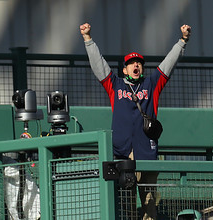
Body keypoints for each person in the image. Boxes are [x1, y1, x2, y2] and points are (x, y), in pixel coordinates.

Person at [80, 22, 191, 219]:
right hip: (122, 154)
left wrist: (182, 41)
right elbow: (99, 65)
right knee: (126, 207)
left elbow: (168, 63)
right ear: (125, 69)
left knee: (149, 205)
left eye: (139, 62)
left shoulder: (152, 83)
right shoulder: (114, 85)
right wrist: (88, 39)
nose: (136, 65)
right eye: (131, 63)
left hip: (146, 152)